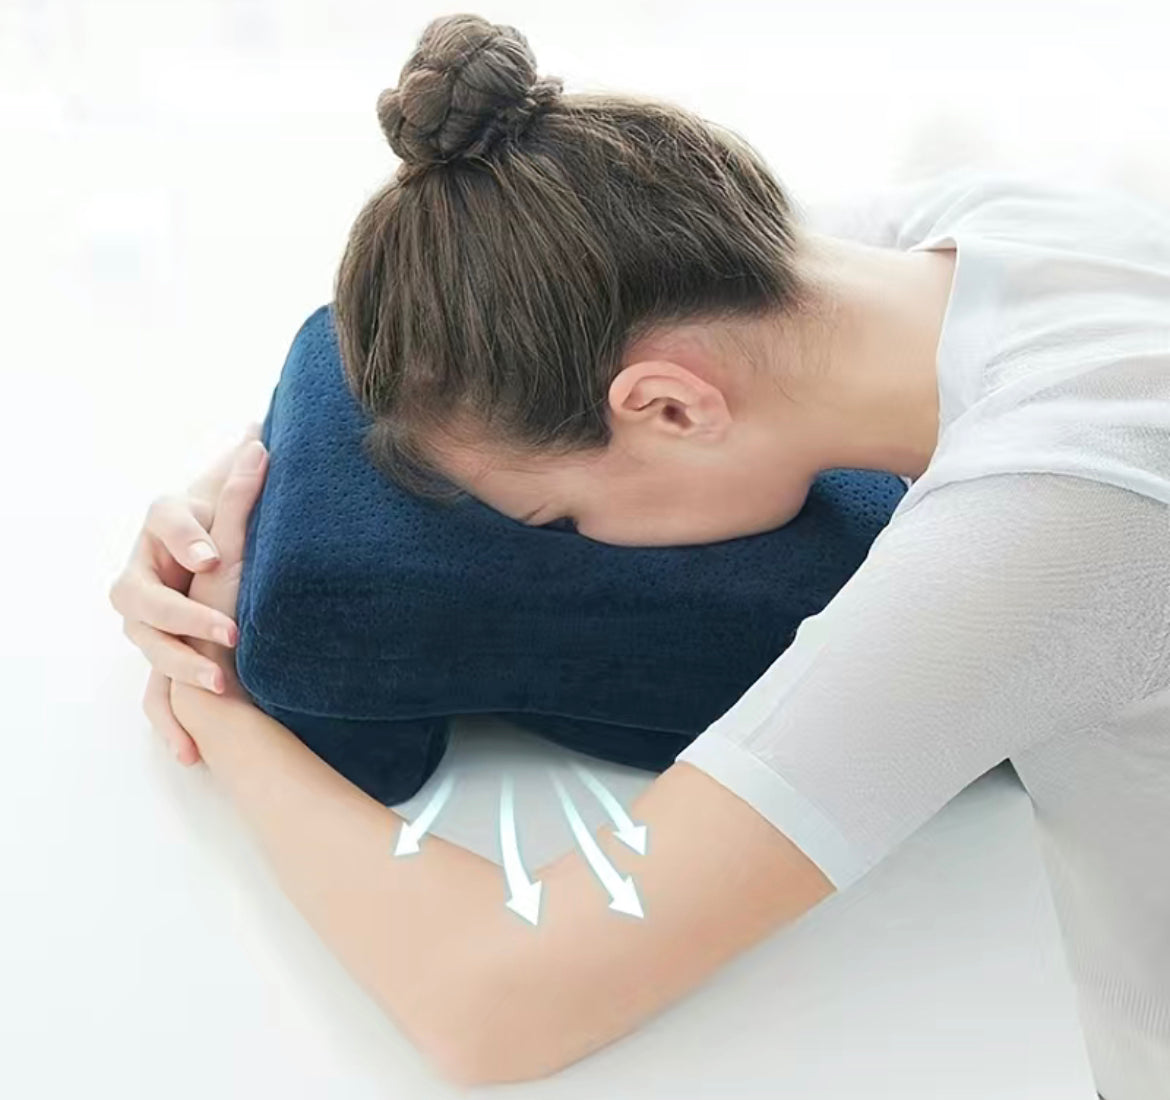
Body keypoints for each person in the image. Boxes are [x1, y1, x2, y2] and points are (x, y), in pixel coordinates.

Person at [107, 13, 1170, 1098]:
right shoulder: (1005, 225)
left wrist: (213, 694)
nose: (582, 549)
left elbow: (493, 1002)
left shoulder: (1056, 519)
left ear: (667, 405)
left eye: (557, 516)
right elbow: (541, 296)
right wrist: (244, 484)